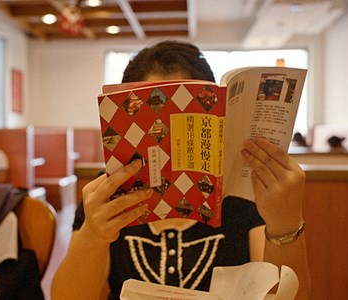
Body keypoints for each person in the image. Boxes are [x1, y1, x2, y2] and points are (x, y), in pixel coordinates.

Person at [51, 41, 311, 299]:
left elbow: (286, 295)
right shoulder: (109, 196)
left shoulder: (242, 192)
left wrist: (284, 224)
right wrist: (93, 235)